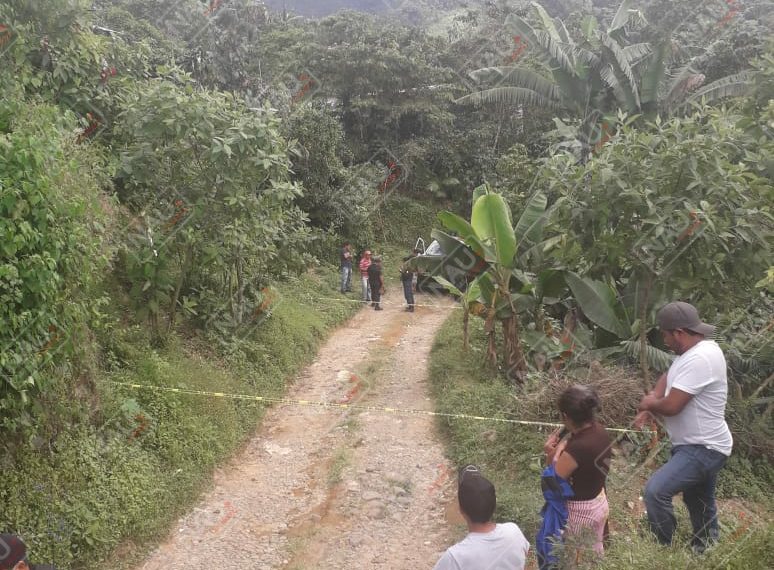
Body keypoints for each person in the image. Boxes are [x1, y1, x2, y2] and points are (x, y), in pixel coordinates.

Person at [637, 301, 732, 553]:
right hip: (695, 445)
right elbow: (668, 376)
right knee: (698, 499)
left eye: (666, 335)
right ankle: (706, 548)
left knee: (656, 491)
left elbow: (672, 406)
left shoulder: (702, 358)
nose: (665, 341)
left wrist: (650, 402)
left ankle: (662, 548)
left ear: (679, 333)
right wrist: (650, 404)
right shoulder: (689, 355)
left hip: (704, 447)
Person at [538, 385, 611, 567]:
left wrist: (551, 454)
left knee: (573, 560)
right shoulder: (599, 431)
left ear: (566, 416)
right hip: (599, 502)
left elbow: (552, 482)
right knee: (593, 551)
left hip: (580, 513)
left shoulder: (576, 449)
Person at [433, 466, 529, 570]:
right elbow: (524, 553)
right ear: (494, 505)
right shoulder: (514, 532)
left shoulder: (455, 557)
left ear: (461, 509)